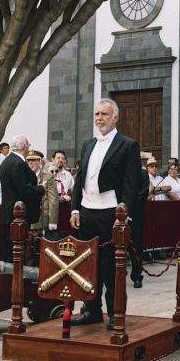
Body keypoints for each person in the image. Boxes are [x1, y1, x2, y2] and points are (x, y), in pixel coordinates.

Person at [70, 99, 145, 328]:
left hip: (111, 212)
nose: (99, 118)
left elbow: (131, 184)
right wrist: (75, 207)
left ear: (115, 117)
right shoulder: (88, 143)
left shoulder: (127, 144)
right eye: (96, 114)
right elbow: (80, 178)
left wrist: (124, 215)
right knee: (87, 264)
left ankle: (115, 312)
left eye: (104, 114)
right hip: (87, 211)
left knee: (112, 265)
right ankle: (91, 310)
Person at [0, 136, 45, 261]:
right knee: (16, 252)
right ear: (23, 147)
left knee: (11, 251)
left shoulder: (8, 161)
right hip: (17, 215)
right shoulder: (17, 163)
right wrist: (41, 188)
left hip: (10, 213)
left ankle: (11, 278)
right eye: (28, 146)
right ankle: (16, 279)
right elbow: (24, 190)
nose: (29, 149)